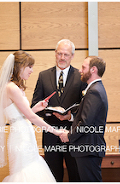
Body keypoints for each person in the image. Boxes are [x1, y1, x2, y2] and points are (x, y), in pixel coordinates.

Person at [0, 51, 67, 182]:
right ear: (19, 66)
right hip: (21, 140)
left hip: (25, 136)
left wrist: (37, 107)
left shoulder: (14, 87)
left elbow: (21, 115)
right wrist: (56, 132)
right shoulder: (12, 88)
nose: (32, 70)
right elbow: (31, 117)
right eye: (29, 66)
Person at [31, 39, 85, 182]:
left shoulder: (80, 77)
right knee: (53, 177)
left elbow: (85, 107)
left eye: (66, 54)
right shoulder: (43, 76)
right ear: (55, 54)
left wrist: (70, 117)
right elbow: (35, 105)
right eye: (59, 53)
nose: (62, 57)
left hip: (72, 135)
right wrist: (49, 111)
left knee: (75, 175)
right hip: (50, 135)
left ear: (72, 56)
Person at [61, 56, 108, 182]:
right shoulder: (95, 89)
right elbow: (87, 117)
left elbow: (86, 123)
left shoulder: (94, 91)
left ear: (93, 70)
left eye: (83, 67)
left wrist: (69, 136)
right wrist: (70, 117)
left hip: (88, 148)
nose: (80, 70)